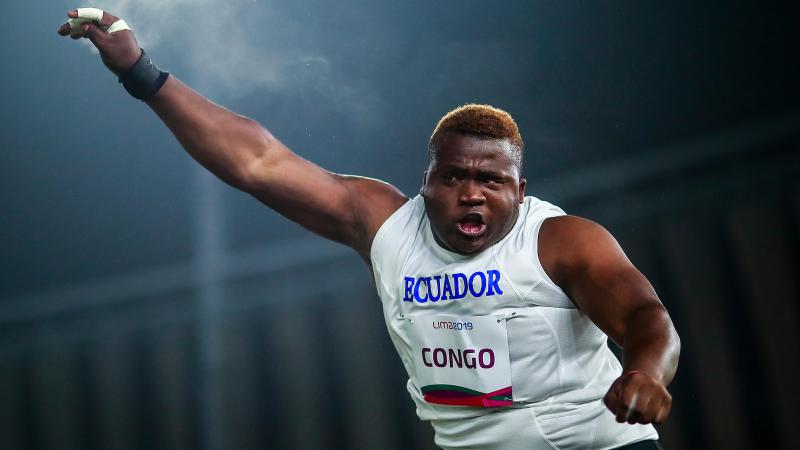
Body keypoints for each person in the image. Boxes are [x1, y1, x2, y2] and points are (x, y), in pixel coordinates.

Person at [58, 8, 680, 449]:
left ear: (520, 190)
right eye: (454, 177)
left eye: (492, 183)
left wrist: (648, 373)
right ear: (426, 181)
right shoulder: (386, 224)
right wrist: (140, 72)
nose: (471, 194)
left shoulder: (560, 240)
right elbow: (258, 161)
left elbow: (646, 318)